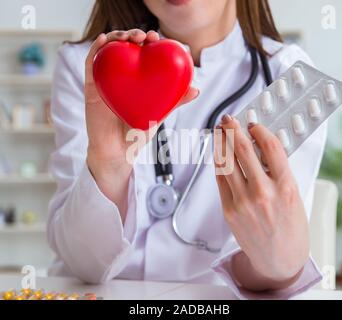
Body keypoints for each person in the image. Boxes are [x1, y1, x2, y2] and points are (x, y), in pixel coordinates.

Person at [48, 0, 327, 299]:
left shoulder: (290, 79)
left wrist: (280, 262)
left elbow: (260, 269)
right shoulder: (94, 65)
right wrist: (107, 165)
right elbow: (82, 265)